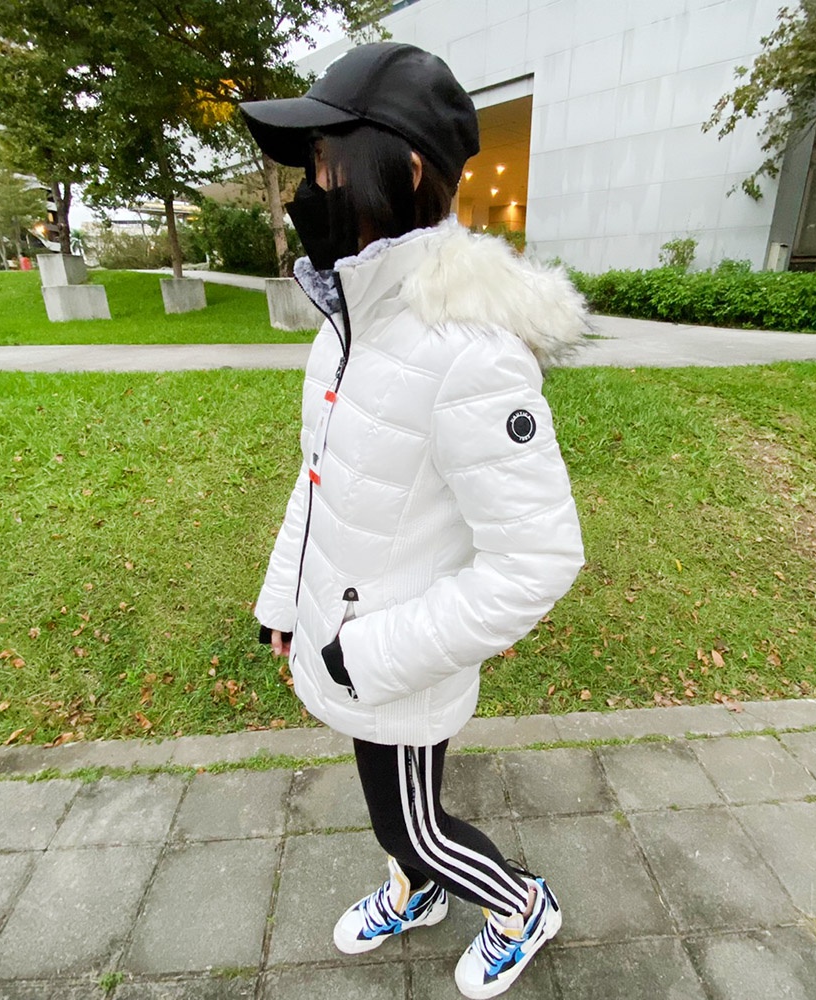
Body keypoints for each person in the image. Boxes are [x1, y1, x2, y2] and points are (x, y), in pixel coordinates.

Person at [240, 42, 588, 1000]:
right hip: (349, 635)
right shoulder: (351, 320)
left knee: (414, 824)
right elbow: (321, 479)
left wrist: (370, 653)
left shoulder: (469, 352)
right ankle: (419, 892)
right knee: (400, 812)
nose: (309, 189)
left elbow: (539, 557)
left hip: (394, 655)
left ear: (403, 168)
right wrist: (286, 599)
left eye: (326, 163)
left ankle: (521, 905)